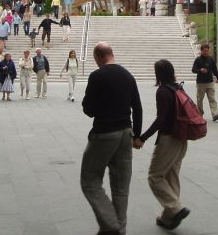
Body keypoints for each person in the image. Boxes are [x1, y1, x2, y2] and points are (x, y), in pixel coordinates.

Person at [81, 42, 143, 235]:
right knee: (121, 186)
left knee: (90, 180)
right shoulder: (128, 75)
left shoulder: (97, 76)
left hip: (104, 133)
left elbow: (88, 109)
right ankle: (119, 230)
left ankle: (110, 224)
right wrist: (137, 135)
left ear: (98, 57)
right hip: (126, 133)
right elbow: (138, 108)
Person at [135, 59, 190, 230]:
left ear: (158, 74)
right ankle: (168, 218)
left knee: (155, 176)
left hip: (168, 139)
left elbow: (161, 119)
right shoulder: (178, 88)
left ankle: (175, 208)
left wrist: (142, 137)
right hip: (182, 138)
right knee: (171, 176)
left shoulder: (163, 91)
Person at [191, 44, 218, 122]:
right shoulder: (198, 60)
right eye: (204, 51)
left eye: (207, 51)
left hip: (210, 82)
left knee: (212, 99)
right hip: (200, 83)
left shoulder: (211, 59)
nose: (206, 52)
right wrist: (200, 70)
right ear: (201, 51)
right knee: (200, 100)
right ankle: (200, 114)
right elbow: (193, 70)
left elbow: (214, 69)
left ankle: (215, 114)